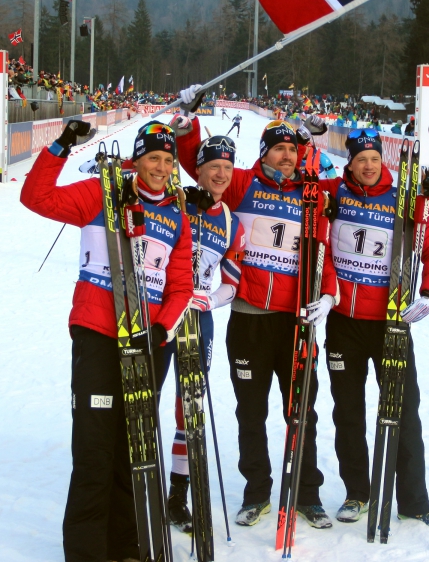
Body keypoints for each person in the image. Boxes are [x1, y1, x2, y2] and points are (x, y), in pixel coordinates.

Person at [20, 119, 193, 562]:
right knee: (95, 452)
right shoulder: (103, 194)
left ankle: (127, 545)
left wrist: (161, 328)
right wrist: (61, 146)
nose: (160, 167)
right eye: (153, 158)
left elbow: (181, 285)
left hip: (145, 342)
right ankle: (87, 552)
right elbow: (34, 197)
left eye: (168, 160)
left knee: (132, 448)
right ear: (137, 160)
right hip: (98, 335)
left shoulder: (176, 214)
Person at [175, 111, 339, 530]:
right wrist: (187, 125)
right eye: (279, 148)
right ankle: (257, 492)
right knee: (250, 413)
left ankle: (308, 494)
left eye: (293, 150)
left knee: (302, 412)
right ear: (264, 153)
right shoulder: (243, 184)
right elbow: (203, 163)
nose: (287, 156)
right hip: (248, 317)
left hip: (295, 321)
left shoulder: (311, 194)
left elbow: (323, 248)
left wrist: (328, 293)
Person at [320, 128, 429, 533]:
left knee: (403, 411)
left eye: (374, 158)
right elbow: (295, 185)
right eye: (361, 159)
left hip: (391, 325)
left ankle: (414, 502)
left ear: (383, 162)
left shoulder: (404, 202)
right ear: (350, 164)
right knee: (348, 411)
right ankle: (357, 492)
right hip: (344, 323)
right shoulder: (334, 194)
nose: (369, 165)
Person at [165, 116, 246, 533]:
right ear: (196, 169)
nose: (220, 173)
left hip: (198, 318)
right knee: (139, 397)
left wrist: (208, 299)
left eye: (227, 168)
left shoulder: (231, 221)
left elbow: (232, 283)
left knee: (189, 406)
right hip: (159, 312)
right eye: (213, 165)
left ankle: (177, 496)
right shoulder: (173, 199)